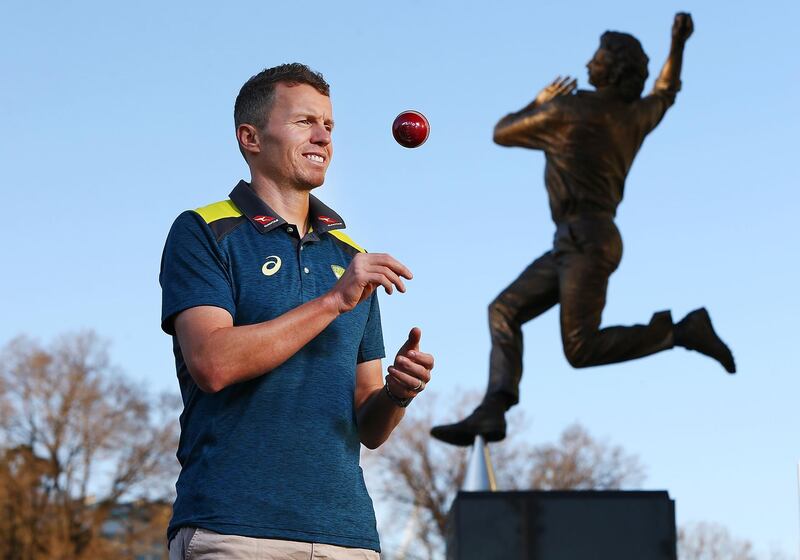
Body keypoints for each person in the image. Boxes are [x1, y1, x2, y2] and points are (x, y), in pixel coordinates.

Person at [160, 63, 434, 559]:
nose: (323, 136)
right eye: (305, 121)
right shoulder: (202, 231)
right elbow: (213, 364)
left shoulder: (351, 256)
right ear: (251, 137)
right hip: (234, 530)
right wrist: (333, 301)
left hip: (347, 537)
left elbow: (368, 425)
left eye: (329, 125)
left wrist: (396, 393)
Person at [431, 13, 734, 447]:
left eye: (596, 58)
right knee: (504, 310)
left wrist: (538, 102)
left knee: (580, 348)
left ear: (611, 69)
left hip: (583, 241)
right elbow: (666, 93)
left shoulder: (567, 111)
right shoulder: (632, 117)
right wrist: (677, 44)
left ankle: (682, 331)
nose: (588, 64)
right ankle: (493, 409)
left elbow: (502, 132)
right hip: (582, 241)